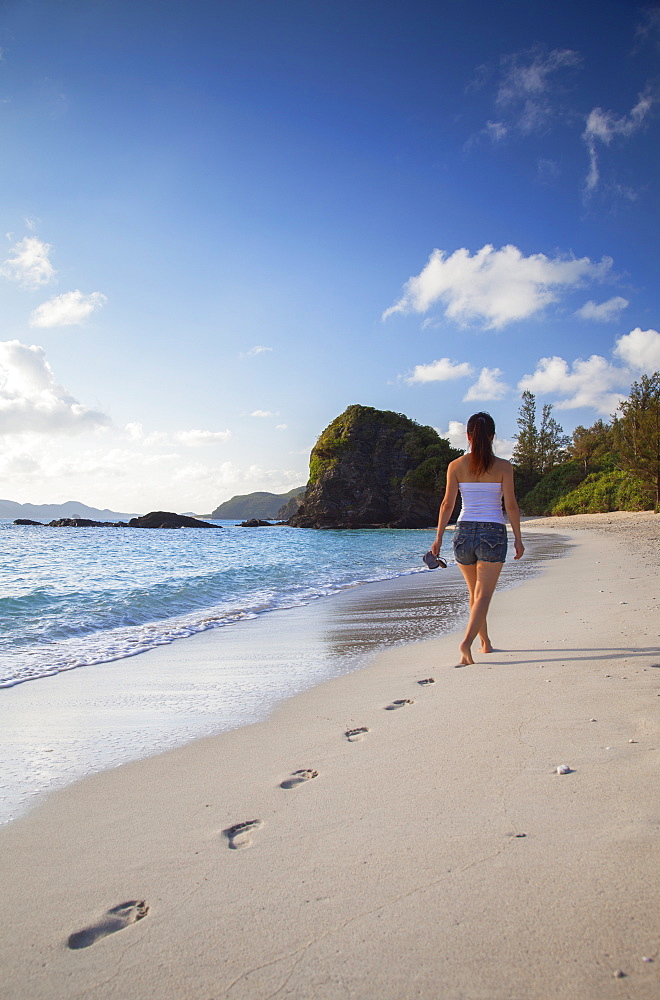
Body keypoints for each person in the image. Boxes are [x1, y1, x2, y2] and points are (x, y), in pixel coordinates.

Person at [430, 412, 524, 666]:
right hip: (492, 532)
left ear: (468, 436)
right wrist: (518, 537)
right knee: (483, 596)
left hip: (462, 533)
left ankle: (485, 643)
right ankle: (467, 642)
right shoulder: (504, 467)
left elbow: (447, 504)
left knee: (474, 593)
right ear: (492, 436)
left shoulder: (456, 465)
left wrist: (438, 538)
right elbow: (511, 506)